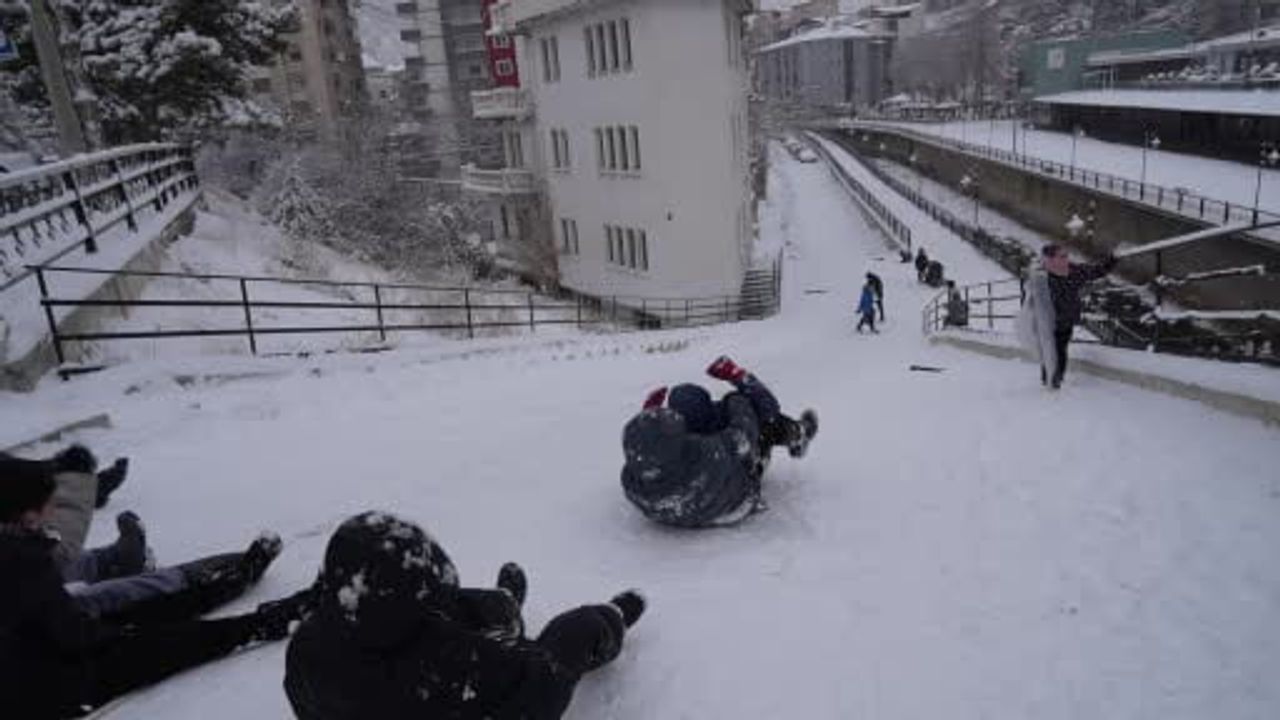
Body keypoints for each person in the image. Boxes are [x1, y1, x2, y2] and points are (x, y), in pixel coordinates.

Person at [0, 456, 311, 719]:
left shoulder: (20, 549)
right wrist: (122, 633)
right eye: (48, 505)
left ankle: (232, 581)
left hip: (43, 652)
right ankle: (269, 619)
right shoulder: (21, 559)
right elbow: (72, 634)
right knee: (172, 639)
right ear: (26, 513)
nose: (53, 513)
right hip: (52, 685)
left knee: (139, 608)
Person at [285, 511, 646, 720]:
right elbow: (541, 688)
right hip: (467, 687)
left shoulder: (307, 644)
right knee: (569, 638)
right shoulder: (450, 661)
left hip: (387, 666)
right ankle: (610, 617)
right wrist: (600, 624)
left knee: (454, 606)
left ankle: (503, 604)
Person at [620, 356, 818, 528]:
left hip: (679, 512)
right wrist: (737, 385)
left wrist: (651, 417)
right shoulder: (711, 451)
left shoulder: (631, 481)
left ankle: (796, 434)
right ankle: (798, 435)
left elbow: (646, 446)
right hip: (730, 506)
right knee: (765, 425)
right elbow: (759, 417)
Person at [1018, 243, 1117, 389]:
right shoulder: (1040, 278)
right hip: (1045, 322)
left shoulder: (1073, 271)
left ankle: (1055, 379)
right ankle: (1049, 378)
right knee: (1048, 349)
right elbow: (1027, 300)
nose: (1066, 259)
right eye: (1062, 256)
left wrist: (1112, 260)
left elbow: (1096, 271)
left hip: (1065, 320)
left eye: (1066, 256)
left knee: (1060, 349)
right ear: (1049, 259)